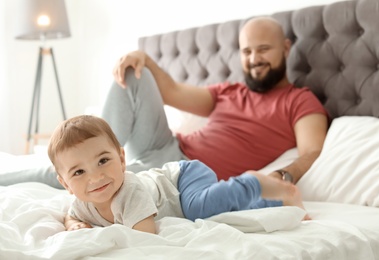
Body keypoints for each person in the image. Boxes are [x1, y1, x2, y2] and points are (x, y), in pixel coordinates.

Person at [101, 16, 329, 183]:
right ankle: (94, 154)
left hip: (186, 173)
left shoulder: (299, 100)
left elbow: (312, 152)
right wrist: (143, 58)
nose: (254, 59)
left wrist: (283, 176)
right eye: (247, 51)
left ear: (286, 48)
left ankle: (86, 165)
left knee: (105, 181)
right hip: (164, 146)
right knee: (134, 72)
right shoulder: (229, 91)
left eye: (263, 49)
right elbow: (172, 92)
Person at [48, 115, 309, 233]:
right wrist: (73, 224)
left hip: (182, 180)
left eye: (103, 160)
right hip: (175, 180)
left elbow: (143, 236)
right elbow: (71, 215)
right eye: (79, 172)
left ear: (122, 158)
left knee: (198, 208)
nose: (95, 177)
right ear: (66, 184)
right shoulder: (81, 203)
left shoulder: (128, 190)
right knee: (224, 213)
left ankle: (254, 182)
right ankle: (278, 201)